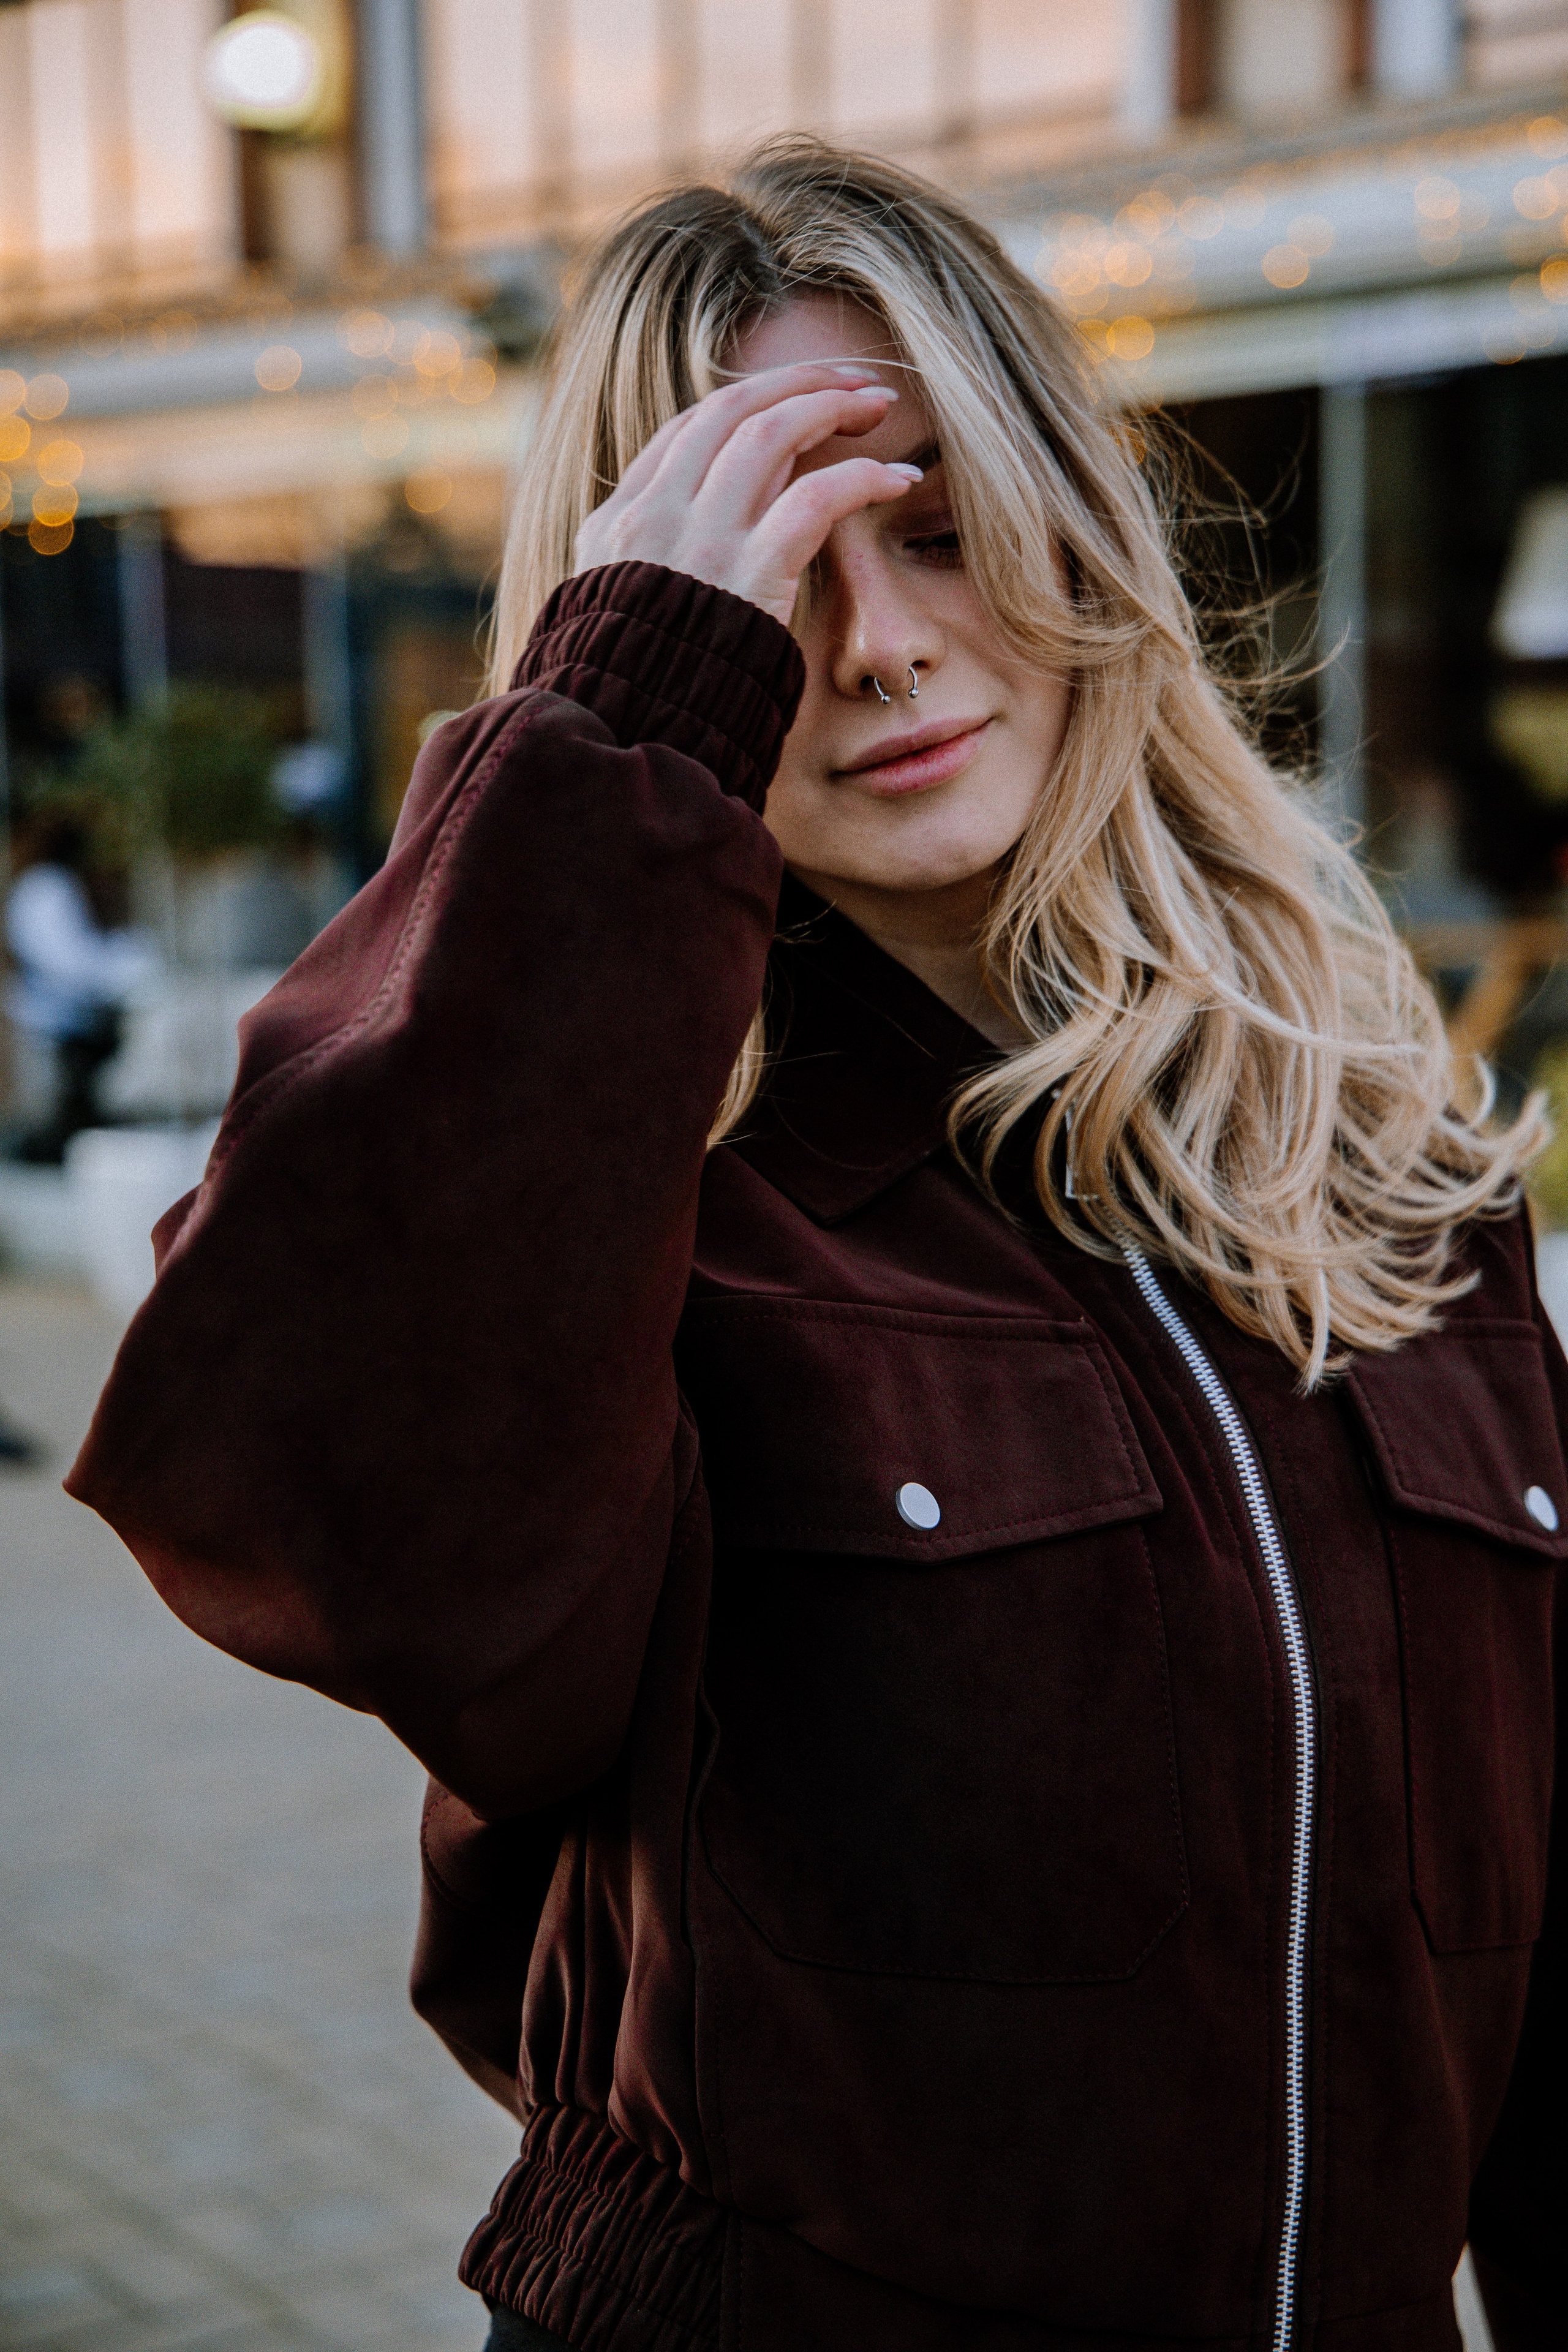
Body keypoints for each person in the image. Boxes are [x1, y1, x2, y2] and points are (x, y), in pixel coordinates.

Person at [66, 142, 1559, 2352]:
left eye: (943, 530)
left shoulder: (1386, 1174)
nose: (872, 651)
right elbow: (320, 1520)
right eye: (772, 591)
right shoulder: (629, 1197)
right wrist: (618, 744)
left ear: (1077, 534)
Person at [4, 812, 155, 1163]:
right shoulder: (46, 887)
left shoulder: (54, 884)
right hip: (57, 1011)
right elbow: (63, 958)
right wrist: (112, 973)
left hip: (70, 1006)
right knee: (67, 1103)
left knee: (80, 1099)